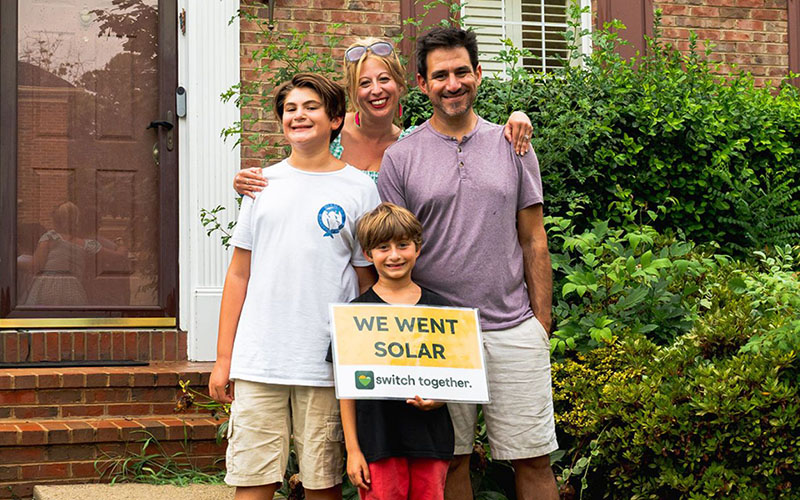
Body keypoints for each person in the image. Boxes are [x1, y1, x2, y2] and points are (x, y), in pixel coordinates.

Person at [377, 27, 559, 500]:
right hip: (439, 330)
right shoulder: (400, 159)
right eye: (440, 75)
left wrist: (540, 323)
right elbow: (394, 257)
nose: (452, 83)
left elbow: (534, 238)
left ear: (478, 74)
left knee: (534, 458)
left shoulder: (513, 144)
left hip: (512, 326)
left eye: (462, 72)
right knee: (451, 461)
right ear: (422, 84)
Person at [209, 73, 380, 500]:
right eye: (290, 109)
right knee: (252, 481)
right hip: (259, 359)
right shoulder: (260, 185)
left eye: (311, 107)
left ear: (336, 119)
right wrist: (223, 358)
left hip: (324, 363)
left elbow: (366, 280)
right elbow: (238, 274)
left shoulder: (359, 188)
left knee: (322, 482)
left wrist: (367, 357)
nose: (298, 115)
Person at [233, 37, 533, 196]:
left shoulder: (411, 144)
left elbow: (459, 128)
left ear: (402, 84)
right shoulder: (330, 133)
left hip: (391, 265)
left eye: (384, 79)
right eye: (364, 83)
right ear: (352, 90)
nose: (376, 90)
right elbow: (296, 172)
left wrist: (517, 116)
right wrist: (253, 181)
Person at [338, 202, 454, 500]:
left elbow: (457, 375)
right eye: (382, 247)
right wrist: (353, 450)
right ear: (367, 254)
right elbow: (346, 388)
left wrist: (439, 399)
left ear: (418, 248)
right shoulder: (356, 314)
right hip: (378, 443)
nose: (394, 255)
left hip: (430, 441)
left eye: (403, 245)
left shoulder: (442, 310)